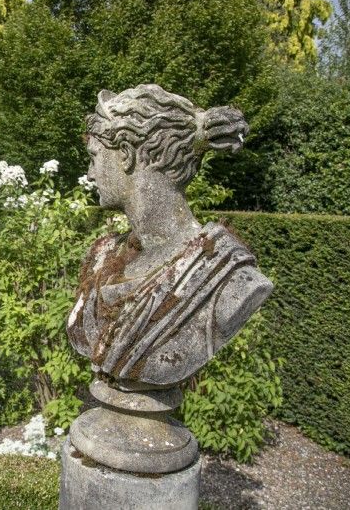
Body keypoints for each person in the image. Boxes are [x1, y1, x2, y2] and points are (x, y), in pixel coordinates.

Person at [67, 84, 273, 388]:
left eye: (94, 157)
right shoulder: (103, 256)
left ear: (125, 155)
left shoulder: (231, 278)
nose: (90, 174)